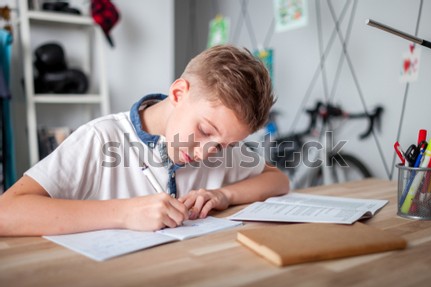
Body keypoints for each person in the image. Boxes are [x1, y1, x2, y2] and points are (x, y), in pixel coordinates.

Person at [0, 45, 289, 236]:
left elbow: (277, 180)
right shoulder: (101, 138)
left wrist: (223, 195)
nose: (206, 153)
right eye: (203, 130)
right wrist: (124, 213)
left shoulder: (219, 145)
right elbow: (6, 212)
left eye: (224, 145)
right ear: (178, 94)